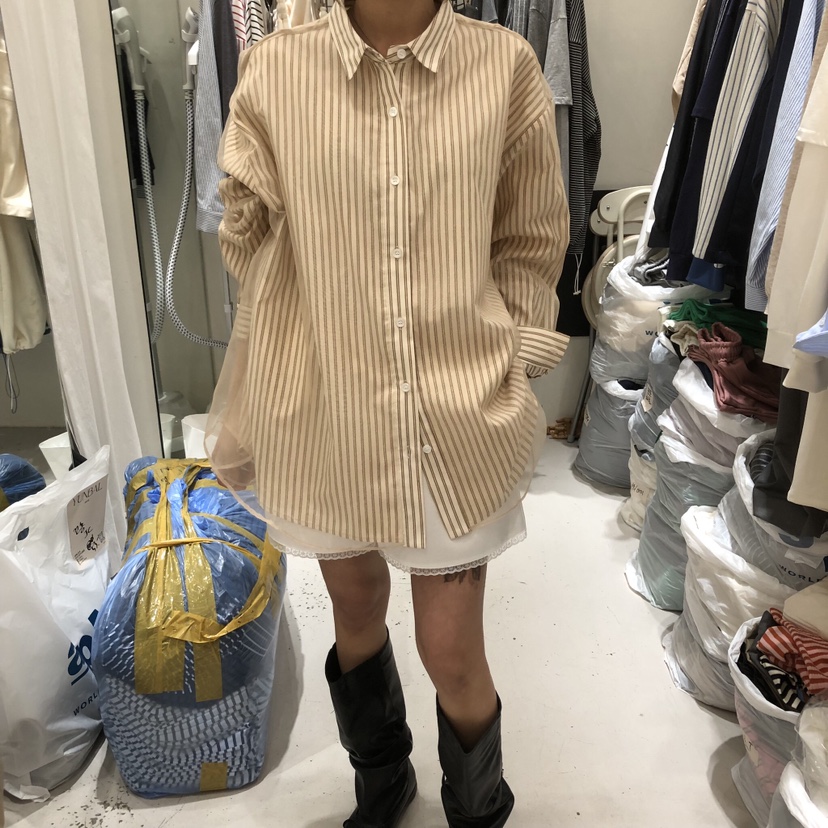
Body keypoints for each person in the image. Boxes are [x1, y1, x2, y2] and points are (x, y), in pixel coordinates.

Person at [207, 0, 569, 824]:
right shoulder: (276, 69)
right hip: (325, 407)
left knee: (451, 650)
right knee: (357, 610)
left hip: (454, 411)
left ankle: (478, 807)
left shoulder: (504, 66)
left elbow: (529, 237)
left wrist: (511, 357)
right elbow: (245, 234)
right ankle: (382, 781)